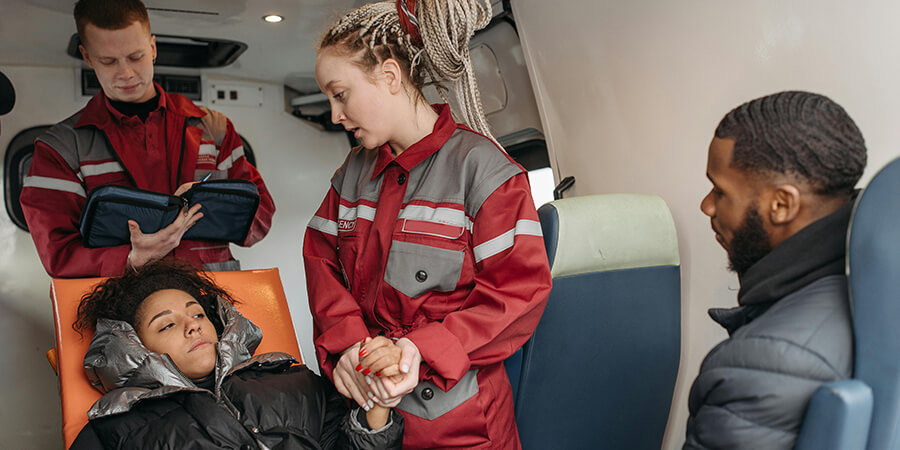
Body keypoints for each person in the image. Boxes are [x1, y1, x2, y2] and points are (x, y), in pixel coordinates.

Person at [303, 1, 553, 448]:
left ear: (390, 76)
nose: (335, 114)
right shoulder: (352, 173)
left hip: (459, 424)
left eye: (340, 95)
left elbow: (518, 293)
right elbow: (321, 259)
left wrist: (420, 349)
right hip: (367, 410)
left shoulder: (484, 171)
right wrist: (348, 346)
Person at [20, 0, 275, 278]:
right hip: (125, 299)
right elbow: (58, 254)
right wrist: (130, 259)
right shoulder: (60, 149)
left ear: (153, 48)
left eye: (136, 56)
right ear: (87, 57)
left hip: (211, 296)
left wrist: (213, 204)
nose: (126, 73)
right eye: (108, 61)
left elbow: (261, 219)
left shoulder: (215, 129)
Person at [684, 91, 865, 449]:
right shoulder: (861, 284)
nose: (707, 206)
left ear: (782, 204)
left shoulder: (761, 363)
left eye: (719, 191)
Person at [69, 261, 403, 449]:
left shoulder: (295, 381)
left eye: (198, 314)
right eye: (167, 325)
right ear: (135, 346)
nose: (193, 326)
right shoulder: (113, 429)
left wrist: (377, 405)